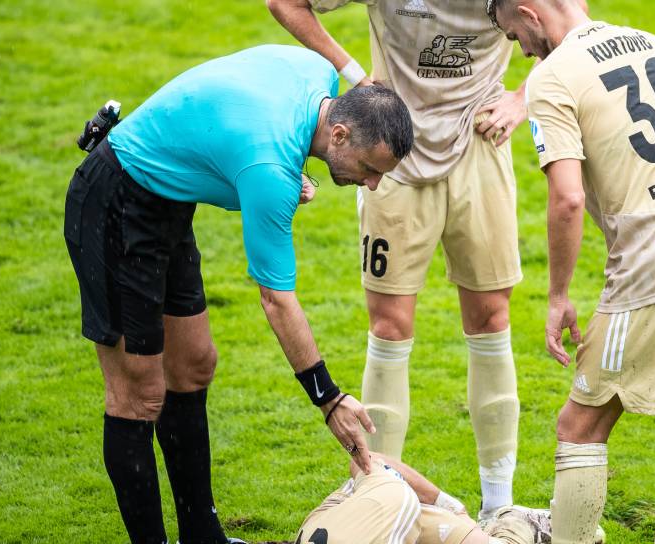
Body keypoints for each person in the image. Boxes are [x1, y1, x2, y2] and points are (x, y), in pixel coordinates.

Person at [62, 44, 414, 544]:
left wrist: (282, 169)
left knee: (193, 365)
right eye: (370, 167)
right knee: (139, 395)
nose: (373, 184)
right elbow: (277, 301)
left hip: (167, 205)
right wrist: (329, 399)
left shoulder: (317, 75)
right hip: (115, 203)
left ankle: (202, 537)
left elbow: (230, 122)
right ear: (338, 134)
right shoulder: (270, 169)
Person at [488, 1, 655, 543]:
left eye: (515, 36)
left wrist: (558, 296)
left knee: (579, 426)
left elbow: (567, 199)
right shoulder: (653, 42)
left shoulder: (552, 77)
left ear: (529, 14)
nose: (523, 51)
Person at [266, 0, 530, 521]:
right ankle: (380, 503)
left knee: (491, 319)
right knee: (389, 327)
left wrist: (524, 97)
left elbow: (568, 18)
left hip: (480, 143)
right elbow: (285, 3)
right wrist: (353, 74)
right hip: (390, 155)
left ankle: (499, 509)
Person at [295, 453, 579, 544]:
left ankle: (512, 523)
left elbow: (366, 459)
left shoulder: (390, 497)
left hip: (375, 508)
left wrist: (449, 505)